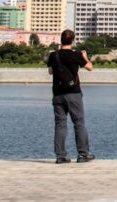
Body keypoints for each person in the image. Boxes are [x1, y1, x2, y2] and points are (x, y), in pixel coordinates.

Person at [46, 29, 95, 164]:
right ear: (72, 41)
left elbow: (50, 72)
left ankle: (60, 156)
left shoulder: (53, 55)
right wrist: (85, 57)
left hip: (57, 94)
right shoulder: (76, 55)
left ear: (61, 40)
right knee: (79, 123)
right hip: (73, 94)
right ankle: (83, 154)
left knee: (60, 124)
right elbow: (90, 67)